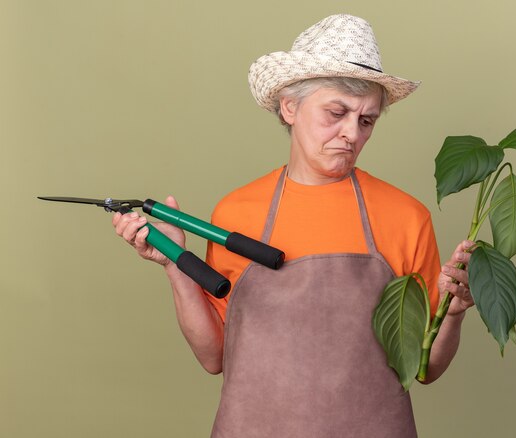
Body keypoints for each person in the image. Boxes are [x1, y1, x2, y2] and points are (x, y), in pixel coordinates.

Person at [113, 14, 474, 438]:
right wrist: (175, 262)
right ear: (290, 107)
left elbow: (425, 368)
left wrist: (453, 314)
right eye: (336, 112)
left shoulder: (406, 217)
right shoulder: (237, 212)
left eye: (366, 120)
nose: (351, 134)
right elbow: (214, 357)